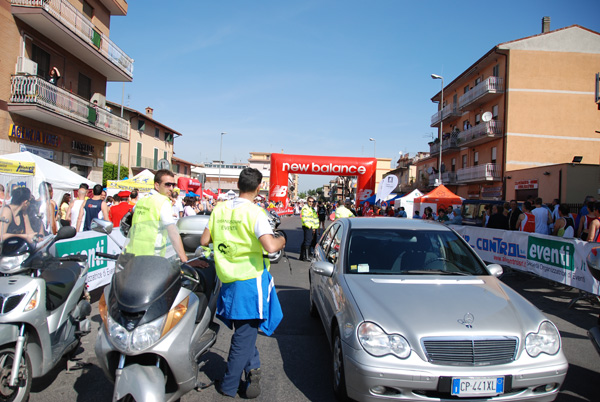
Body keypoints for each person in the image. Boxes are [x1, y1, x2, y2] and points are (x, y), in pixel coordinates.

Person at [200, 167, 285, 399]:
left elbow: (204, 239)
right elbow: (269, 246)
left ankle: (253, 366)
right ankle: (229, 385)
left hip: (227, 278)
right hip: (250, 280)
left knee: (243, 331)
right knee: (244, 334)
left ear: (238, 184)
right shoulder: (256, 213)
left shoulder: (219, 208)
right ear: (258, 188)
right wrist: (282, 239)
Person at [128, 170, 187, 262]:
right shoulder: (163, 201)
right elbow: (173, 233)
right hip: (152, 257)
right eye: (167, 184)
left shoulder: (143, 200)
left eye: (173, 185)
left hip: (133, 254)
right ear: (157, 185)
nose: (171, 188)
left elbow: (132, 211)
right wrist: (185, 260)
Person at [300, 197, 318, 261]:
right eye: (310, 201)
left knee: (306, 241)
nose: (311, 203)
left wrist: (314, 227)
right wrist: (309, 226)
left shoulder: (311, 208)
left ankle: (302, 256)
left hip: (311, 226)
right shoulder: (305, 208)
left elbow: (314, 218)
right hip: (307, 226)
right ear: (307, 201)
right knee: (308, 241)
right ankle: (306, 257)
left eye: (312, 202)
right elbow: (304, 218)